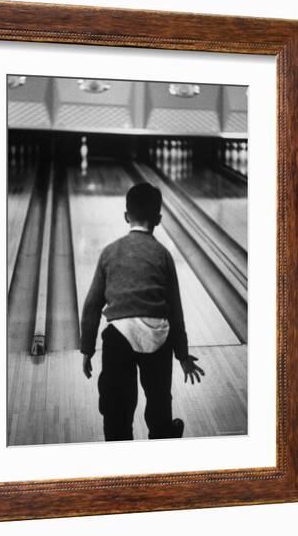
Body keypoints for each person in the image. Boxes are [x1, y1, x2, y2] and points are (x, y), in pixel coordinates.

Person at [80, 182, 204, 441]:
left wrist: (87, 349)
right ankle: (163, 435)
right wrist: (182, 355)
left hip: (119, 338)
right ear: (158, 219)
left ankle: (119, 454)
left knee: (116, 411)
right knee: (159, 404)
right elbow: (175, 311)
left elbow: (91, 307)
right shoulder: (163, 255)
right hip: (158, 338)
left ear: (126, 216)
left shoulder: (109, 252)